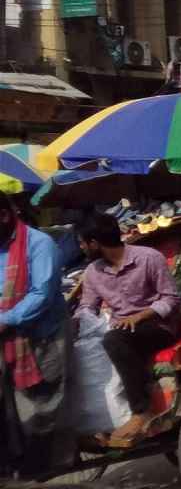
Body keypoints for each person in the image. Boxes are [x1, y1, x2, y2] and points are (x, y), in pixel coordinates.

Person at [76, 212, 181, 445]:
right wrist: (76, 322)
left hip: (158, 327)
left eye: (83, 242)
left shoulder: (148, 258)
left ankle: (141, 410)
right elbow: (87, 307)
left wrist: (140, 315)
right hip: (121, 330)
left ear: (95, 243)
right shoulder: (93, 272)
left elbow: (171, 299)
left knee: (114, 340)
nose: (81, 247)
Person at [0, 194, 69, 475]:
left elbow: (42, 293)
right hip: (6, 337)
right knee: (8, 406)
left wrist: (6, 319)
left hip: (42, 335)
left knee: (42, 403)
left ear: (4, 215)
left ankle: (44, 465)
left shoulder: (39, 244)